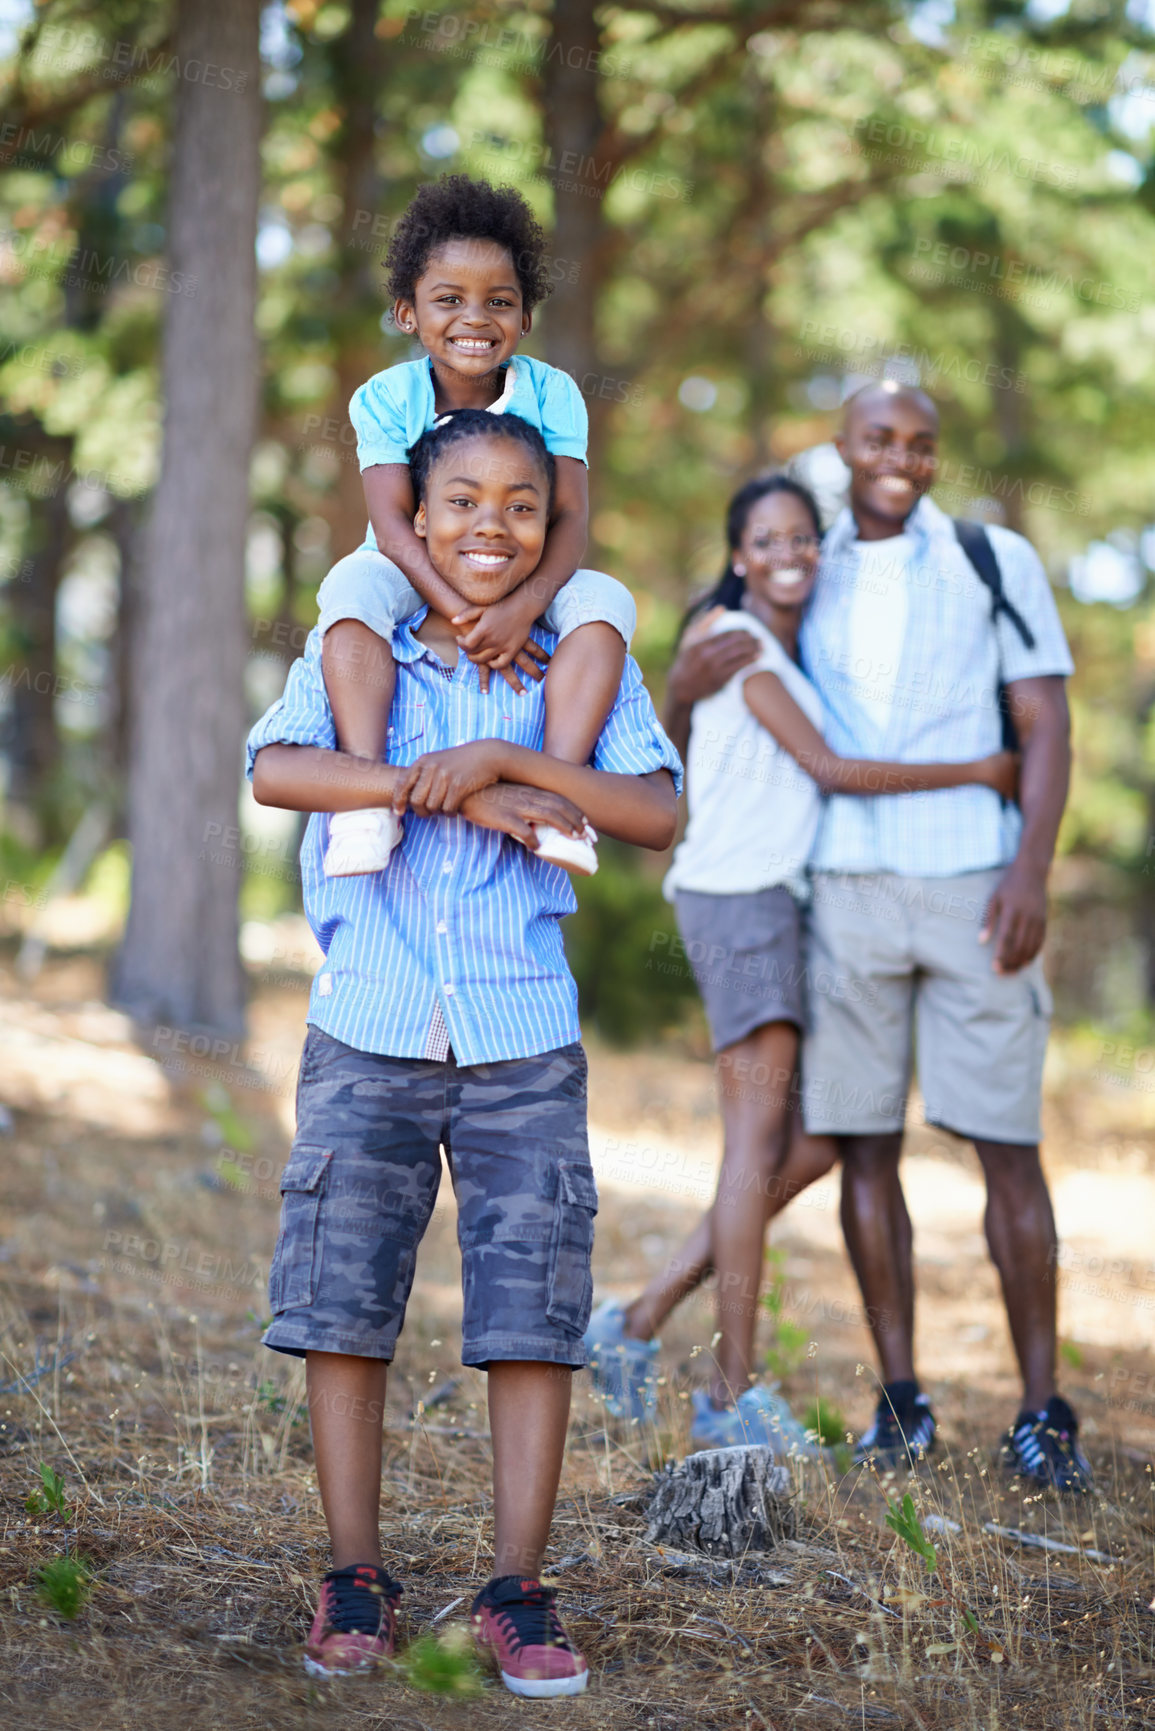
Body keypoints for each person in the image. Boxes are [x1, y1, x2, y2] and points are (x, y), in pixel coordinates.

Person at [247, 410, 680, 1692]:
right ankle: (353, 1577)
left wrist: (501, 755)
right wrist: (437, 789)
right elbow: (276, 770)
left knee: (532, 1312)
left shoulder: (576, 661)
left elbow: (654, 808)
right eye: (464, 504)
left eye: (522, 508)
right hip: (368, 1022)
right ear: (415, 522)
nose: (491, 527)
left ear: (552, 531)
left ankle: (517, 1590)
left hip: (521, 1035)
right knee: (344, 1303)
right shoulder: (361, 645)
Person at [662, 382, 1088, 1493]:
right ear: (842, 452)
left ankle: (1044, 1411)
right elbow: (737, 645)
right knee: (863, 1144)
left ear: (940, 454)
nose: (899, 458)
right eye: (874, 440)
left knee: (1005, 1144)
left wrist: (1032, 866)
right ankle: (901, 1404)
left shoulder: (993, 561)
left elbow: (1044, 723)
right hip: (844, 887)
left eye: (919, 442)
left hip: (972, 881)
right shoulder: (811, 556)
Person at [584, 474, 1017, 1451]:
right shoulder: (739, 645)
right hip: (742, 906)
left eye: (803, 539)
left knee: (815, 1144)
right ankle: (732, 1395)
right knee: (752, 1148)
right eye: (768, 540)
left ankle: (637, 1321)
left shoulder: (747, 642)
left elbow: (689, 745)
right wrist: (982, 768)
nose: (791, 553)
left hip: (772, 904)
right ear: (739, 555)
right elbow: (831, 769)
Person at [317, 174, 635, 879]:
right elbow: (395, 527)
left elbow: (572, 519)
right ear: (407, 313)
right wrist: (461, 612)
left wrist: (523, 606)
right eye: (448, 300)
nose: (475, 317)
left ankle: (557, 796)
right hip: (411, 570)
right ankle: (364, 796)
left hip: (524, 568)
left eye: (499, 301)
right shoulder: (386, 397)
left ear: (524, 318)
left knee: (606, 600)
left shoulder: (552, 392)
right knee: (350, 583)